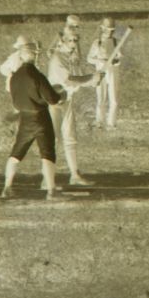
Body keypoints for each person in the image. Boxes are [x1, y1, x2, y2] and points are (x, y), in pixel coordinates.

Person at [1, 37, 67, 200]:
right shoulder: (37, 75)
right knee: (47, 153)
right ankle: (51, 190)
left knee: (16, 153)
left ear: (22, 56)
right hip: (40, 117)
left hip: (24, 118)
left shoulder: (14, 76)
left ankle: (7, 187)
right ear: (35, 56)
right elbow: (52, 99)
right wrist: (62, 95)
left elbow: (15, 98)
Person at [46, 18, 94, 187]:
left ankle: (74, 174)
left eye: (76, 40)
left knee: (70, 137)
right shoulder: (57, 58)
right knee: (53, 140)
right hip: (53, 102)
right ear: (63, 41)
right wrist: (90, 79)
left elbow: (79, 77)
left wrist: (92, 80)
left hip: (67, 99)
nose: (74, 43)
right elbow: (70, 78)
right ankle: (47, 180)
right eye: (71, 40)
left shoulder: (71, 57)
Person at [85, 22, 123, 129]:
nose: (110, 32)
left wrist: (115, 61)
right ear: (102, 29)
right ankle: (99, 122)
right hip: (101, 71)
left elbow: (119, 57)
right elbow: (89, 58)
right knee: (101, 98)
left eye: (112, 30)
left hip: (113, 72)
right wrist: (100, 60)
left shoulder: (116, 42)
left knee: (114, 99)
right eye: (108, 30)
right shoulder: (98, 43)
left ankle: (111, 123)